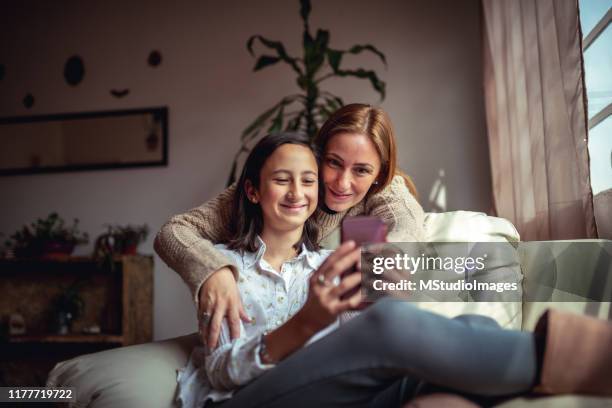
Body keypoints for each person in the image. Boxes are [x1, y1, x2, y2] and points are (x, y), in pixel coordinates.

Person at [176, 131, 537, 408]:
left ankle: (535, 369)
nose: (296, 193)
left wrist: (387, 294)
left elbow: (357, 347)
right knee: (393, 324)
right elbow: (222, 372)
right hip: (247, 399)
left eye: (307, 180)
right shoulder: (223, 270)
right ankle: (557, 356)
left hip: (332, 395)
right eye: (282, 180)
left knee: (472, 333)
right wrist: (306, 323)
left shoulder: (328, 267)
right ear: (253, 192)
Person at [155, 104, 426, 348]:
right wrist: (214, 271)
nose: (342, 183)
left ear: (379, 174)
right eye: (333, 163)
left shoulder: (385, 190)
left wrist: (389, 261)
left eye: (362, 170)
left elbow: (406, 225)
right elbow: (174, 231)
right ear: (317, 156)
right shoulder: (274, 187)